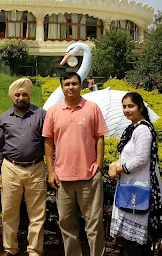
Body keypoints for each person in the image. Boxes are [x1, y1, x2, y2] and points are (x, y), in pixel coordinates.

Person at [43, 71, 108, 256]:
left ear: (81, 85)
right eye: (67, 84)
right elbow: (48, 142)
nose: (70, 87)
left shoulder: (92, 108)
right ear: (62, 87)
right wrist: (51, 171)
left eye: (74, 83)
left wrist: (99, 166)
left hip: (89, 175)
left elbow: (100, 137)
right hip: (62, 177)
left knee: (94, 223)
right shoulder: (54, 111)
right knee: (66, 223)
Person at [108, 92, 162, 255]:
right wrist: (115, 164)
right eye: (124, 106)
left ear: (141, 107)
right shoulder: (132, 128)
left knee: (135, 243)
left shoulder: (143, 129)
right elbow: (128, 155)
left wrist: (117, 169)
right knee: (131, 241)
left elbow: (141, 159)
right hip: (130, 186)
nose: (127, 110)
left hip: (137, 189)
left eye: (131, 106)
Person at [0, 78, 47, 256]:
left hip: (36, 168)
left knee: (37, 214)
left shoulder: (41, 114)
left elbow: (49, 143)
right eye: (17, 94)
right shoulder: (3, 118)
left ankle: (34, 250)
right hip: (10, 168)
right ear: (12, 97)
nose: (21, 97)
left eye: (24, 94)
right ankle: (10, 248)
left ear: (29, 95)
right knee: (9, 211)